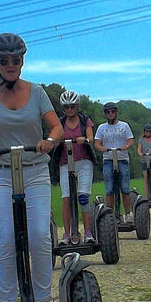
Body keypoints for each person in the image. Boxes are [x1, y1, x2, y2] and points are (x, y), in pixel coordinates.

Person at [0, 32, 63, 302]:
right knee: (7, 240)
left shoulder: (37, 92)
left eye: (16, 60)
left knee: (39, 236)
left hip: (34, 170)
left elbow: (57, 127)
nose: (11, 65)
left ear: (22, 61)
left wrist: (49, 141)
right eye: (5, 61)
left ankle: (44, 301)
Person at [54, 90, 95, 245]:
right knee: (66, 198)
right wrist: (54, 141)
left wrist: (84, 139)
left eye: (72, 106)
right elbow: (55, 137)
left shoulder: (85, 121)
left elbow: (91, 138)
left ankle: (88, 233)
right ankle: (66, 234)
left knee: (83, 197)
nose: (69, 110)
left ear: (77, 106)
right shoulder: (60, 122)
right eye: (66, 107)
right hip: (65, 163)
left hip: (84, 161)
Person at [94, 102, 134, 228]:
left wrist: (126, 146)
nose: (110, 114)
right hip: (108, 160)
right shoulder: (101, 128)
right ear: (105, 114)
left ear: (116, 112)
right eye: (108, 112)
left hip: (122, 159)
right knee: (109, 189)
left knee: (125, 188)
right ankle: (110, 216)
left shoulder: (124, 125)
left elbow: (131, 140)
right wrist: (103, 149)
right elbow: (97, 143)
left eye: (112, 111)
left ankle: (127, 214)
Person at [136, 124, 151, 201]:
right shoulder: (141, 140)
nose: (148, 133)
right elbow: (139, 149)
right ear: (144, 132)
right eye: (147, 131)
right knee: (146, 179)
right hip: (145, 160)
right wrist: (140, 154)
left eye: (150, 131)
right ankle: (146, 198)